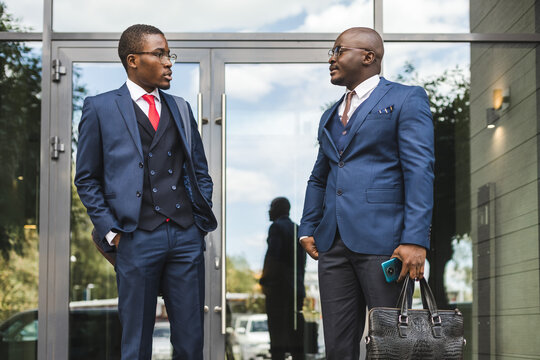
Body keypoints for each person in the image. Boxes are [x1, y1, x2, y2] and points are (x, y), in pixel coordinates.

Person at [74, 24, 217, 360]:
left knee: (190, 342)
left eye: (169, 54)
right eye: (160, 54)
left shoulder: (181, 107)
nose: (169, 62)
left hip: (184, 235)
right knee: (136, 343)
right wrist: (111, 231)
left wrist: (197, 221)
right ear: (133, 60)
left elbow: (199, 171)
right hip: (134, 236)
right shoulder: (100, 107)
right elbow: (86, 179)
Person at [298, 27, 434, 359]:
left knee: (392, 347)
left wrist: (416, 239)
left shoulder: (405, 98)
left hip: (385, 244)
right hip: (332, 245)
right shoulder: (330, 114)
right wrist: (308, 226)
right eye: (331, 52)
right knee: (337, 348)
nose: (331, 58)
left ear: (368, 57)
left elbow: (419, 170)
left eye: (338, 50)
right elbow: (320, 177)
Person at [260, 197, 306, 360]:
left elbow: (273, 257)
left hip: (279, 290)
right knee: (296, 340)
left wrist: (264, 281)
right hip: (296, 290)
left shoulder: (277, 228)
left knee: (277, 339)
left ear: (279, 209)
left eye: (271, 207)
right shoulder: (297, 229)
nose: (268, 211)